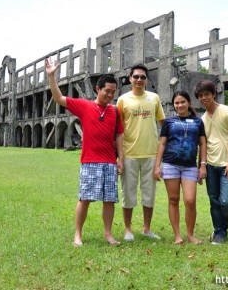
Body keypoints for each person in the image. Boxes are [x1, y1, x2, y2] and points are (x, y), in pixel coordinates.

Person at [45, 57, 124, 247]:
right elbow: (59, 98)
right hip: (90, 161)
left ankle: (108, 234)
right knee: (85, 198)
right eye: (107, 91)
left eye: (113, 92)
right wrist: (52, 77)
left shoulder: (115, 111)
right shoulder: (85, 106)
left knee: (109, 200)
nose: (110, 95)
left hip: (109, 162)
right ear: (98, 89)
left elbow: (119, 135)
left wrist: (121, 158)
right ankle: (78, 234)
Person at [117, 63, 165, 242]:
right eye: (136, 76)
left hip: (151, 154)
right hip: (129, 154)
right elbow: (118, 130)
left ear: (147, 80)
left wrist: (163, 151)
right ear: (130, 78)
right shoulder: (123, 100)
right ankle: (128, 230)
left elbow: (163, 125)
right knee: (128, 193)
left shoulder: (154, 98)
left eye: (142, 77)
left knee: (149, 194)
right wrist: (119, 157)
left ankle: (147, 229)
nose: (139, 80)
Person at [153, 91, 207, 245]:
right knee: (173, 199)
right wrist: (157, 166)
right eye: (176, 103)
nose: (180, 105)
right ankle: (177, 235)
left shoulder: (198, 122)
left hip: (190, 166)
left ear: (189, 103)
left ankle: (190, 234)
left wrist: (202, 165)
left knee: (190, 200)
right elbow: (162, 143)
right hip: (170, 164)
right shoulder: (169, 122)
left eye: (182, 102)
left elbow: (203, 143)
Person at [194, 80, 228, 245]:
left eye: (207, 94)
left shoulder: (227, 111)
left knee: (226, 202)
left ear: (214, 94)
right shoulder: (203, 119)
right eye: (200, 96)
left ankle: (225, 225)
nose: (204, 98)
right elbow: (203, 144)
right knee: (214, 200)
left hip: (227, 164)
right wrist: (202, 165)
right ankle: (220, 232)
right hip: (211, 165)